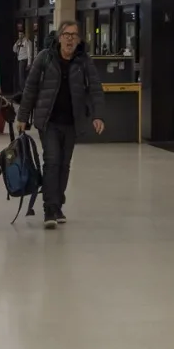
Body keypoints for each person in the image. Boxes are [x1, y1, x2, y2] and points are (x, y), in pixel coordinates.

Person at [17, 22, 106, 229]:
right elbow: (30, 88)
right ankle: (49, 208)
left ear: (78, 39)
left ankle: (57, 205)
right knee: (52, 161)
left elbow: (95, 89)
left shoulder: (83, 61)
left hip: (71, 122)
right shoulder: (45, 58)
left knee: (64, 165)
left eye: (74, 35)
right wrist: (22, 116)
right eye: (66, 34)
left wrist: (98, 115)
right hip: (48, 121)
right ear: (59, 37)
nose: (70, 39)